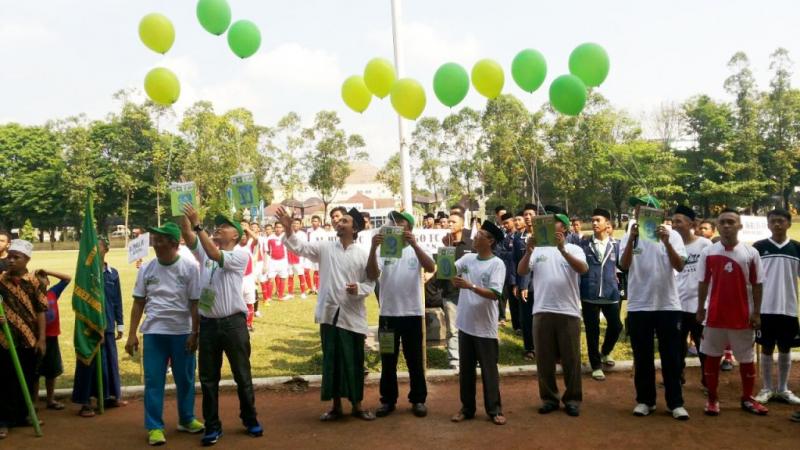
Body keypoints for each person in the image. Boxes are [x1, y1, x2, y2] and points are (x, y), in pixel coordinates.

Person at [279, 206, 376, 421]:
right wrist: (288, 229)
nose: (339, 223)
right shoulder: (325, 247)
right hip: (330, 313)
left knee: (354, 361)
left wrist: (358, 289)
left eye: (345, 221)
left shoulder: (362, 254)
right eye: (339, 221)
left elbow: (370, 281)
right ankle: (336, 407)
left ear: (355, 228)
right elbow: (300, 247)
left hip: (352, 315)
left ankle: (358, 406)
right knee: (332, 361)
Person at [180, 205, 262, 445]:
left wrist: (198, 225)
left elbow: (216, 255)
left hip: (233, 325)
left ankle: (250, 419)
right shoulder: (206, 252)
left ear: (236, 235)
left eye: (224, 226)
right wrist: (182, 208)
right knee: (207, 379)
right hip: (208, 326)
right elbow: (187, 235)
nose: (218, 228)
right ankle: (212, 426)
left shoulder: (240, 254)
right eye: (217, 226)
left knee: (242, 375)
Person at [125, 222, 204, 445]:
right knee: (153, 381)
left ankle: (186, 419)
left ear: (172, 243)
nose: (154, 243)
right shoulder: (147, 269)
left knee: (186, 379)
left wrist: (195, 333)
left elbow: (195, 304)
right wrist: (132, 334)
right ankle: (154, 427)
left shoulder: (189, 268)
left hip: (182, 332)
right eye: (154, 239)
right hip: (154, 333)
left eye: (159, 240)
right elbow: (138, 303)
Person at [620, 195, 689, 420]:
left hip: (668, 304)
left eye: (646, 208)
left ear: (659, 213)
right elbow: (624, 265)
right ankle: (645, 401)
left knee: (671, 356)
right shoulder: (630, 234)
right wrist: (631, 240)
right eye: (638, 208)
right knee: (642, 356)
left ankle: (675, 403)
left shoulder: (673, 235)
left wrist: (667, 242)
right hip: (639, 305)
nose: (640, 211)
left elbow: (679, 266)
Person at [696, 209, 766, 416]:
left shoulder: (751, 253)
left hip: (742, 316)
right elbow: (702, 282)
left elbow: (757, 285)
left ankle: (747, 398)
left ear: (739, 226)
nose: (727, 226)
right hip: (714, 316)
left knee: (746, 359)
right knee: (712, 357)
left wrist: (757, 313)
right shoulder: (708, 252)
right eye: (723, 222)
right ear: (718, 226)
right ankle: (712, 400)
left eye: (731, 222)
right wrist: (700, 309)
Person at [518, 213, 588, 416]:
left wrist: (563, 250)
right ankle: (549, 398)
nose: (547, 225)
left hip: (568, 311)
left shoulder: (575, 248)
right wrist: (528, 251)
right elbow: (522, 271)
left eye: (553, 222)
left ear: (563, 228)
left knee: (571, 359)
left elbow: (582, 269)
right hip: (541, 310)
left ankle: (572, 399)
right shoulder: (538, 249)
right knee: (544, 359)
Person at [367, 211, 435, 418]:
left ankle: (418, 399)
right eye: (392, 221)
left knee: (414, 359)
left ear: (409, 228)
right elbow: (371, 274)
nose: (394, 224)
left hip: (412, 314)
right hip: (388, 315)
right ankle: (388, 400)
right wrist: (373, 247)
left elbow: (431, 267)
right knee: (388, 359)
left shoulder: (417, 249)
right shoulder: (383, 250)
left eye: (400, 222)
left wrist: (414, 245)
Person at [450, 221, 507, 426]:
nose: (474, 237)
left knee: (489, 370)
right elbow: (448, 271)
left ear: (490, 241)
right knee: (466, 371)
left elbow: (495, 294)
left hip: (485, 327)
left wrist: (470, 286)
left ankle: (494, 409)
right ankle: (467, 408)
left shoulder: (497, 264)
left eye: (479, 234)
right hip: (465, 323)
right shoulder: (467, 258)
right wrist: (446, 255)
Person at [72, 238, 127, 417]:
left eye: (99, 247)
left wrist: (120, 324)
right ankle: (86, 401)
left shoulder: (113, 274)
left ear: (106, 250)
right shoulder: (85, 276)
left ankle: (110, 396)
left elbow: (117, 300)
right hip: (90, 327)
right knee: (89, 363)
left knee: (109, 362)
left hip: (108, 325)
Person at [752, 209, 800, 406]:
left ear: (788, 223)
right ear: (768, 224)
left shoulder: (797, 248)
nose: (777, 225)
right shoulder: (758, 247)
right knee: (766, 348)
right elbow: (752, 280)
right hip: (765, 308)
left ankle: (783, 389)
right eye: (773, 221)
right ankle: (767, 388)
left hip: (788, 307)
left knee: (785, 348)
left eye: (781, 221)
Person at [0, 240, 47, 440]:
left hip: (29, 338)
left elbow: (41, 311)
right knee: (5, 379)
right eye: (9, 256)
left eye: (16, 257)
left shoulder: (35, 282)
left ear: (27, 259)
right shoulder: (1, 280)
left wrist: (42, 338)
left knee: (27, 377)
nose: (10, 260)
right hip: (4, 339)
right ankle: (3, 420)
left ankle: (22, 414)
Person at [578, 208, 622, 382]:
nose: (594, 223)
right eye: (593, 220)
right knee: (592, 330)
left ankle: (605, 351)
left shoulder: (616, 245)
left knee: (616, 326)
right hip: (589, 293)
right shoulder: (584, 244)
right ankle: (595, 365)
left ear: (608, 224)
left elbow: (623, 267)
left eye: (598, 220)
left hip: (611, 293)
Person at [671, 205, 711, 387]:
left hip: (699, 306)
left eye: (678, 221)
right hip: (677, 305)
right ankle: (677, 378)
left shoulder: (704, 245)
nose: (674, 225)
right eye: (672, 222)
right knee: (678, 346)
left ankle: (707, 379)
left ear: (691, 224)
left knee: (704, 347)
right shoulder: (670, 245)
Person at [34, 268, 72, 411]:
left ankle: (50, 399)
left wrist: (48, 272)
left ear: (48, 281)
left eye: (43, 278)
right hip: (37, 339)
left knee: (52, 371)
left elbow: (67, 278)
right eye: (37, 279)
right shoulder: (32, 295)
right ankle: (34, 403)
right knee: (35, 373)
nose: (40, 280)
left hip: (52, 338)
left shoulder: (53, 293)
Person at [440, 211, 473, 370]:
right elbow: (444, 270)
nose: (450, 224)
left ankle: (475, 358)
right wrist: (446, 248)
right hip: (450, 292)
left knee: (472, 326)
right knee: (453, 329)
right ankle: (454, 359)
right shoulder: (445, 245)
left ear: (462, 224)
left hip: (469, 293)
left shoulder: (471, 245)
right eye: (448, 222)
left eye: (453, 222)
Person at [513, 204, 537, 359]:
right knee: (526, 317)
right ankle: (529, 347)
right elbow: (516, 262)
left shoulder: (545, 235)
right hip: (525, 283)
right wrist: (517, 283)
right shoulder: (518, 238)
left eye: (530, 214)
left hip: (543, 282)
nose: (528, 217)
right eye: (525, 214)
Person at [497, 213, 518, 330]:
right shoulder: (503, 236)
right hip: (504, 270)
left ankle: (517, 325)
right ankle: (502, 317)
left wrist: (508, 254)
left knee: (515, 299)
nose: (505, 225)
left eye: (507, 223)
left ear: (513, 221)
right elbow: (499, 251)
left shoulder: (518, 235)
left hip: (515, 271)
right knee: (502, 295)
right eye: (503, 223)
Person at [265, 222, 290, 301]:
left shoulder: (286, 236)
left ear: (282, 229)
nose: (278, 229)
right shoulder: (270, 238)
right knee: (270, 279)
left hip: (283, 261)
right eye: (276, 227)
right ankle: (269, 297)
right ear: (274, 228)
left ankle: (280, 296)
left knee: (283, 278)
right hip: (273, 262)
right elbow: (268, 251)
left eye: (280, 227)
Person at [287, 218, 309, 299]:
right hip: (289, 257)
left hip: (299, 257)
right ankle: (290, 293)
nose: (295, 225)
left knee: (300, 274)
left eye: (297, 223)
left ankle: (303, 292)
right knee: (290, 275)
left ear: (300, 225)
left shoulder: (303, 234)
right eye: (294, 223)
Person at [305, 215, 325, 294]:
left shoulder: (322, 232)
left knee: (317, 271)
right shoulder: (308, 230)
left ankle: (317, 288)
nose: (314, 223)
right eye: (313, 221)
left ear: (319, 222)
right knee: (306, 271)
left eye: (316, 221)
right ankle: (310, 288)